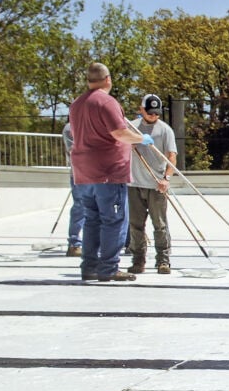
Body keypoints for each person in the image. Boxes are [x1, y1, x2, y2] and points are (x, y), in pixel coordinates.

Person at [68, 62, 156, 282]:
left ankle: (89, 266)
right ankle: (108, 267)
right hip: (107, 170)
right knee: (114, 220)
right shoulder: (106, 102)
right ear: (108, 79)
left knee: (92, 219)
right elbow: (119, 132)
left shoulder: (76, 105)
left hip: (84, 171)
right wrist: (140, 138)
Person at [127, 94, 178, 275]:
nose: (153, 116)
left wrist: (166, 178)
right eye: (149, 113)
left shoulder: (165, 130)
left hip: (156, 185)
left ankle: (163, 260)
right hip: (134, 184)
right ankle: (138, 260)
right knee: (136, 225)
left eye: (156, 113)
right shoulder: (131, 127)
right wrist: (128, 144)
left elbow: (171, 156)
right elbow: (117, 144)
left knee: (160, 225)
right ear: (141, 110)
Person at [60, 118, 85, 256]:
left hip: (97, 172)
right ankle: (74, 243)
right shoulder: (70, 128)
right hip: (79, 173)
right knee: (80, 207)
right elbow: (74, 150)